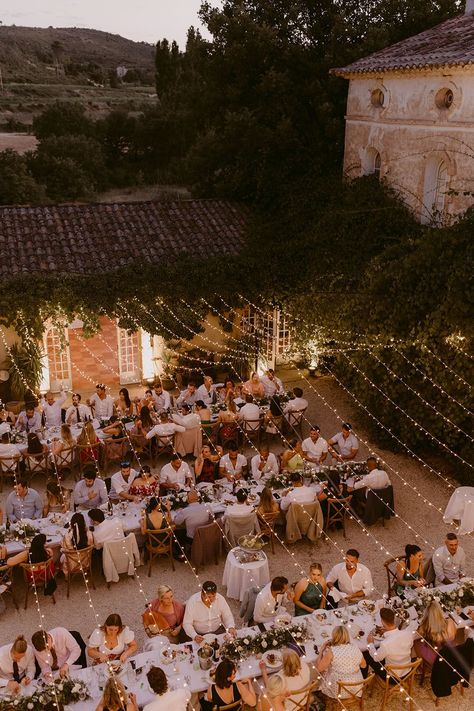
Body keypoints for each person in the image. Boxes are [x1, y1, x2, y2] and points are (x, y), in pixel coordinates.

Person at [316, 626, 366, 700]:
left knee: (325, 671)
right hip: (356, 687)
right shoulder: (355, 648)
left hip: (338, 690)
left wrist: (321, 650)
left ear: (334, 637)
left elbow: (319, 669)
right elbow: (364, 666)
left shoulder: (331, 652)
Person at [365, 607, 415, 679]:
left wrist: (370, 643)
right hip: (408, 670)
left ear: (382, 622)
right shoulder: (408, 633)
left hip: (393, 677)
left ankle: (365, 678)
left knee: (366, 654)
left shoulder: (385, 644)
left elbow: (376, 658)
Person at [414, 600, 457, 665]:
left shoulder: (424, 626)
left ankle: (420, 663)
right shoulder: (449, 622)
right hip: (449, 653)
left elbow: (417, 634)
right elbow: (453, 635)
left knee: (416, 641)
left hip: (433, 656)